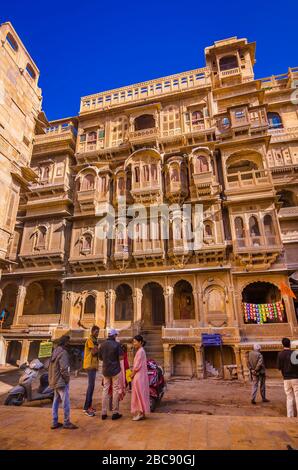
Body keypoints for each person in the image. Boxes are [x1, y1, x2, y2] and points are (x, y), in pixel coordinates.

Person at [48, 334, 78, 430]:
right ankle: (66, 422)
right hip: (61, 381)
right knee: (66, 402)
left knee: (56, 401)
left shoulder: (55, 351)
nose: (69, 344)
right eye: (68, 342)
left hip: (54, 379)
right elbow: (64, 368)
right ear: (65, 343)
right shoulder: (63, 352)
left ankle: (54, 421)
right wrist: (67, 379)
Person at [98, 328, 123, 420]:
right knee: (115, 389)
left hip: (105, 370)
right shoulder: (117, 344)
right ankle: (115, 412)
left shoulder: (102, 345)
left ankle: (103, 412)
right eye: (116, 335)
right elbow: (121, 357)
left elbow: (100, 358)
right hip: (115, 369)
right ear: (114, 335)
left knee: (105, 390)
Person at [131, 334, 150, 421]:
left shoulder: (140, 351)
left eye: (135, 342)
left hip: (138, 376)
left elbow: (137, 366)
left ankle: (139, 412)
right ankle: (142, 412)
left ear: (140, 342)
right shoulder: (141, 351)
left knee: (138, 395)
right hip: (141, 376)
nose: (133, 343)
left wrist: (132, 374)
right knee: (141, 394)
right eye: (133, 342)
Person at [277, 337, 298, 417]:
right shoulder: (294, 353)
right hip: (295, 377)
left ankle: (290, 416)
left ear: (283, 344)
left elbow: (279, 367)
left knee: (289, 397)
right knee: (297, 396)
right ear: (290, 344)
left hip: (286, 378)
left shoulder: (280, 354)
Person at [83, 325, 100, 417]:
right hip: (90, 365)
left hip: (93, 365)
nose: (97, 334)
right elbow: (94, 352)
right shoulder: (90, 340)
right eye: (96, 332)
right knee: (91, 386)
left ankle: (88, 406)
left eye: (98, 332)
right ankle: (86, 408)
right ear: (92, 331)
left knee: (92, 386)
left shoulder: (94, 340)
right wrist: (98, 347)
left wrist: (97, 347)